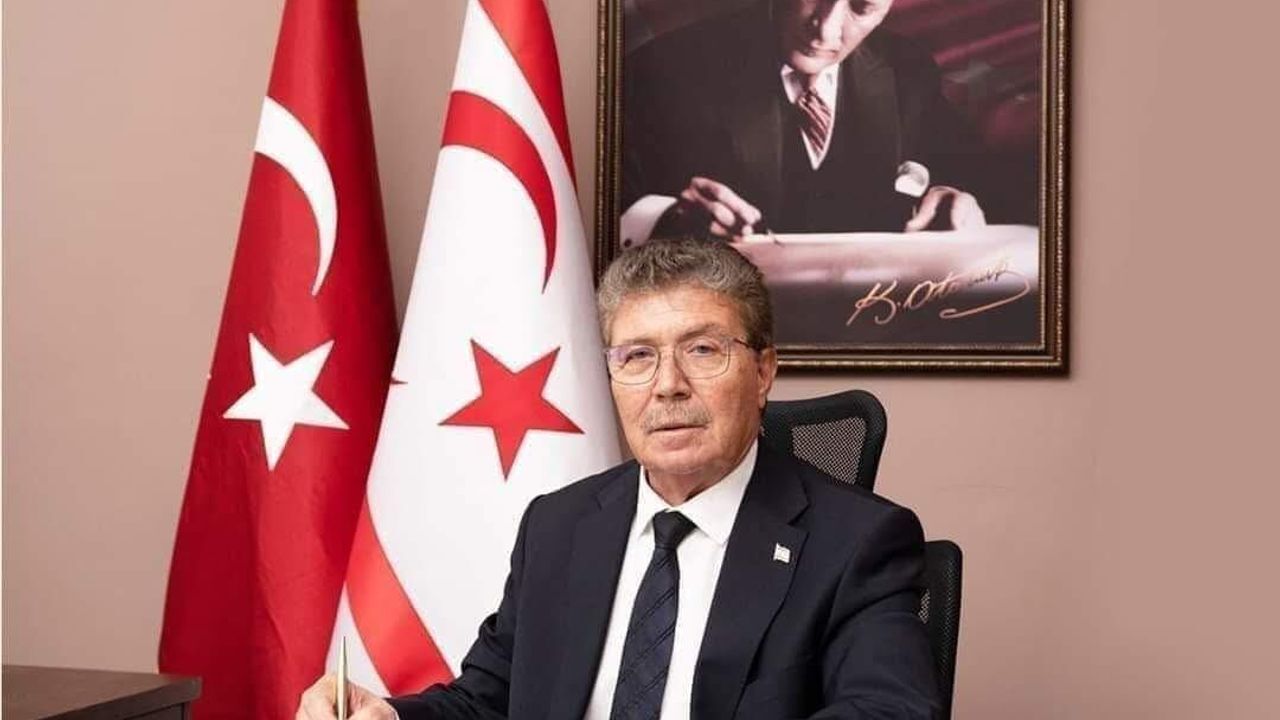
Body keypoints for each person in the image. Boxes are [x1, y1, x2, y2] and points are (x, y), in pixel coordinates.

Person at [297, 238, 939, 719]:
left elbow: (890, 711)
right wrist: (390, 716)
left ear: (764, 370)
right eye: (637, 356)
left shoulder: (855, 542)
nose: (667, 385)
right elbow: (488, 700)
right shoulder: (560, 526)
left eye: (703, 350)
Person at [620, 0, 990, 247]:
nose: (825, 31)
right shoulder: (661, 69)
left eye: (862, 6)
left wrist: (956, 200)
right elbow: (602, 208)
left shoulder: (908, 71)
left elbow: (977, 179)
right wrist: (663, 222)